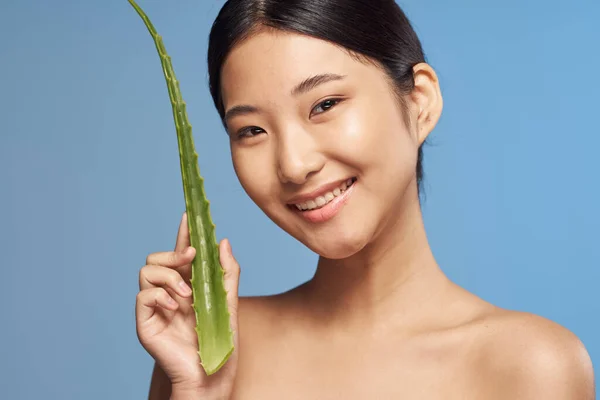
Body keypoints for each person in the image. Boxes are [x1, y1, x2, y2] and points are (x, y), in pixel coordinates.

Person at [135, 0, 595, 398]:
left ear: (420, 102)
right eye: (251, 130)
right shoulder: (205, 352)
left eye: (325, 105)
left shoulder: (531, 366)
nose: (294, 165)